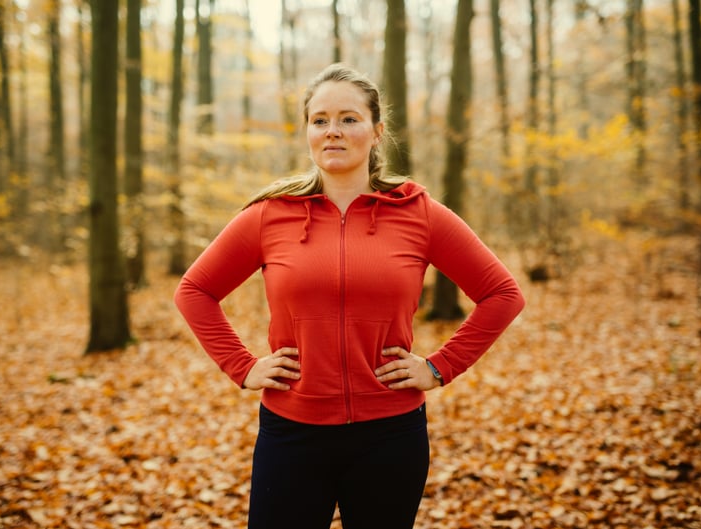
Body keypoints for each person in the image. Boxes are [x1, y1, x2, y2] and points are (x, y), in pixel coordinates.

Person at [174, 63, 525, 529]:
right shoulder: (269, 215)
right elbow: (194, 290)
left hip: (390, 435)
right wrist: (243, 366)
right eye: (319, 120)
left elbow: (502, 293)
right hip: (292, 433)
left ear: (377, 131)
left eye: (349, 119)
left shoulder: (416, 211)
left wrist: (440, 367)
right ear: (307, 132)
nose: (332, 131)